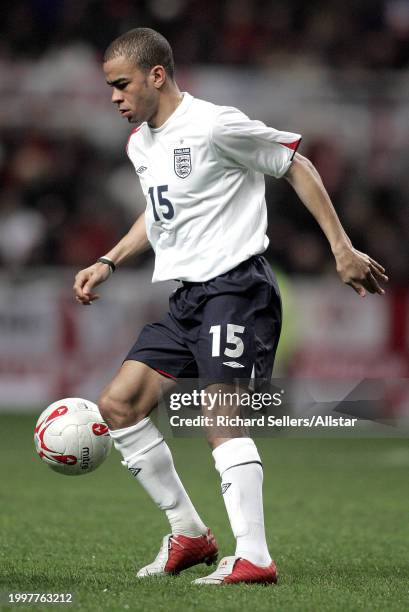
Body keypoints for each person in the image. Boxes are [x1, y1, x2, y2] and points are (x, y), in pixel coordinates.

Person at [73, 27, 388, 585]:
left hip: (237, 288)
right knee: (118, 406)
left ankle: (254, 557)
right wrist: (110, 259)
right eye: (109, 88)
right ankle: (190, 534)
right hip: (188, 298)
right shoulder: (141, 144)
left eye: (121, 85)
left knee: (220, 415)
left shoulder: (215, 124)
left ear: (157, 75)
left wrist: (342, 247)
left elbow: (295, 163)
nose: (115, 98)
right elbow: (160, 211)